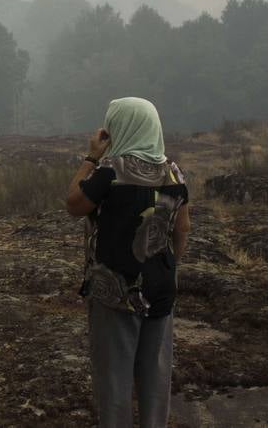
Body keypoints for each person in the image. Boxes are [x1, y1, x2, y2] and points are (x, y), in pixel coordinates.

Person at [65, 97, 191, 428]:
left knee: (115, 383)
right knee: (155, 381)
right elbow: (182, 230)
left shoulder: (111, 169)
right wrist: (166, 268)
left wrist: (91, 155)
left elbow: (74, 204)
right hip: (161, 289)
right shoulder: (173, 172)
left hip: (115, 292)